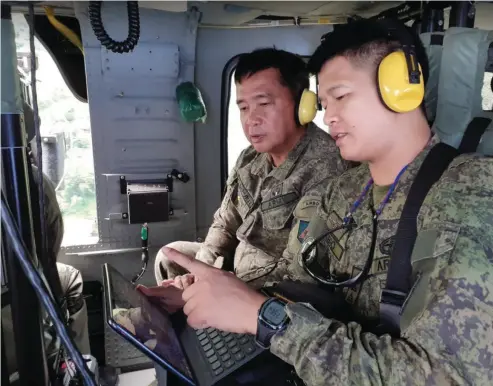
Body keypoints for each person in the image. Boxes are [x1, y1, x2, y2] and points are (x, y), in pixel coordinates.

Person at [152, 19, 493, 385]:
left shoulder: (469, 191)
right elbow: (290, 283)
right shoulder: (337, 194)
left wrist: (265, 318)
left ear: (402, 88)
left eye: (341, 96)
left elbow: (446, 377)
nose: (328, 117)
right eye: (324, 102)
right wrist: (205, 293)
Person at [154, 48, 350, 290]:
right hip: (236, 267)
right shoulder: (249, 157)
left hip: (275, 289)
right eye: (244, 108)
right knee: (169, 258)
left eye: (264, 104)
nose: (251, 119)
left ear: (302, 104)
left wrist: (225, 288)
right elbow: (226, 222)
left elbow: (298, 269)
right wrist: (201, 271)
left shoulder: (325, 167)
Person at [2, 101, 91, 379]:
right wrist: (58, 308)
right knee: (69, 279)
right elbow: (47, 252)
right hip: (11, 297)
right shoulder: (30, 181)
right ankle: (76, 364)